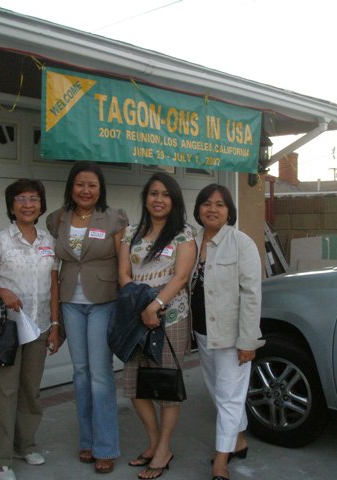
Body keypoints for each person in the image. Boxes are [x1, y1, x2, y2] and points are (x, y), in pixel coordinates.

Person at [46, 161, 128, 474]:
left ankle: (106, 446)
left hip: (104, 301)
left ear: (100, 188)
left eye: (92, 185)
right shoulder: (57, 219)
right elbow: (56, 263)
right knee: (80, 372)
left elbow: (123, 262)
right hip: (71, 301)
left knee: (100, 373)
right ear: (71, 187)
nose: (86, 190)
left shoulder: (115, 217)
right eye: (80, 184)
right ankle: (87, 440)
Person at [0, 178, 62, 480]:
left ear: (41, 205)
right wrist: (2, 292)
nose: (28, 204)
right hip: (7, 329)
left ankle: (24, 444)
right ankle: (0, 457)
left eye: (34, 199)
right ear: (11, 206)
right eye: (21, 199)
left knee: (30, 391)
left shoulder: (48, 242)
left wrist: (54, 326)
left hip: (39, 327)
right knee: (4, 392)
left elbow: (54, 287)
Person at [118, 172, 197, 480]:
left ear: (174, 200)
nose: (159, 199)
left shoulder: (184, 234)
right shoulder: (130, 234)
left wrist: (155, 305)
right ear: (145, 198)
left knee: (165, 386)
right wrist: (141, 305)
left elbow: (180, 278)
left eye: (165, 194)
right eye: (153, 193)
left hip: (171, 319)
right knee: (134, 386)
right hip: (136, 319)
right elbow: (124, 273)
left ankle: (164, 447)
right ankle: (154, 442)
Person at [189, 184, 264, 480]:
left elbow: (251, 295)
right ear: (198, 209)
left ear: (229, 211)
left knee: (230, 396)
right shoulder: (191, 242)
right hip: (203, 332)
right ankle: (239, 439)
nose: (212, 209)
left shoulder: (241, 243)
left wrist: (248, 340)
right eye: (206, 203)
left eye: (220, 204)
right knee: (219, 392)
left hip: (232, 336)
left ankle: (221, 459)